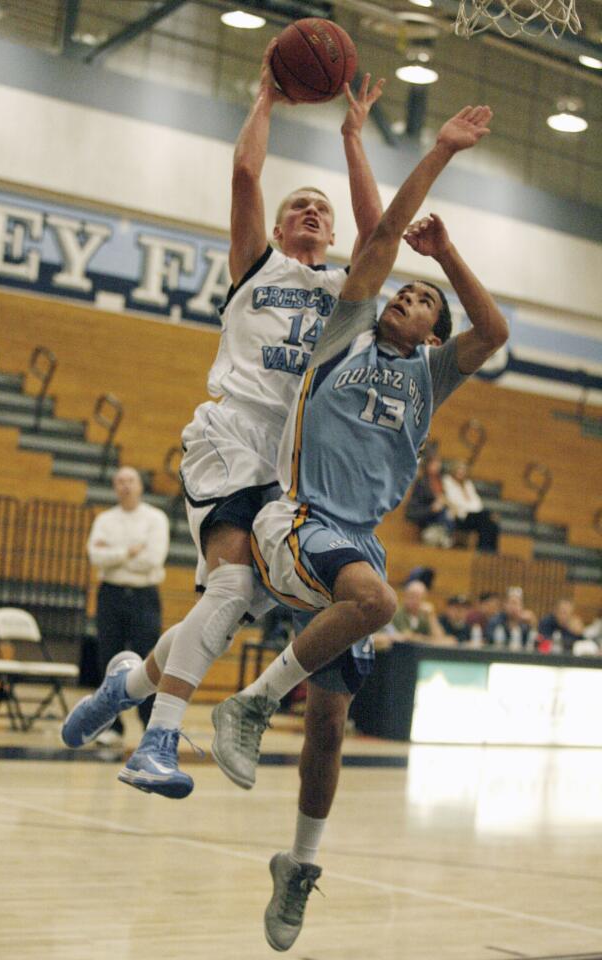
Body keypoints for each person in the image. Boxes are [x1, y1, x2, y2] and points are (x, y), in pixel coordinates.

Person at [211, 105, 505, 951]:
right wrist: (439, 152)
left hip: (354, 545)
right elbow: (378, 241)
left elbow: (495, 331)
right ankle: (253, 705)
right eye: (404, 288)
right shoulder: (344, 333)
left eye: (421, 301)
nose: (405, 297)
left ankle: (298, 864)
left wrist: (448, 255)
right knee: (378, 601)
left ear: (430, 333)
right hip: (299, 517)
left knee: (333, 724)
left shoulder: (435, 376)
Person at [62, 41, 386, 792]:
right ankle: (158, 745)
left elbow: (382, 234)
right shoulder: (257, 267)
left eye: (322, 210)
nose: (311, 212)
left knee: (226, 608)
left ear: (331, 237)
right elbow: (245, 173)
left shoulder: (347, 292)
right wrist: (267, 98)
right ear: (277, 232)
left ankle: (125, 690)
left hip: (290, 467)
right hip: (227, 436)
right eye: (298, 208)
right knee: (233, 593)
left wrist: (351, 138)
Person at [72, 466, 169, 743]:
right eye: (120, 481)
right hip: (110, 595)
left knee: (148, 661)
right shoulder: (104, 519)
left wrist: (112, 555)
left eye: (131, 480)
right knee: (109, 658)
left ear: (140, 485)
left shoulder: (155, 518)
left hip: (144, 596)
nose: (125, 486)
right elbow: (95, 556)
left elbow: (152, 559)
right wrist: (128, 551)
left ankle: (150, 727)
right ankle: (110, 727)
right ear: (115, 487)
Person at [442, 458, 499, 552]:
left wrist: (470, 506)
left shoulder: (468, 484)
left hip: (474, 515)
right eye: (458, 471)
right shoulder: (447, 482)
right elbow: (456, 501)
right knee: (486, 517)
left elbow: (478, 503)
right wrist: (470, 506)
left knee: (493, 524)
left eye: (463, 472)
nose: (461, 474)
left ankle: (490, 551)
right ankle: (483, 550)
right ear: (453, 471)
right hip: (461, 516)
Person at [405, 454, 454, 547]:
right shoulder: (422, 482)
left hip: (438, 512)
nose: (437, 466)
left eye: (438, 463)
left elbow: (443, 498)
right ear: (428, 465)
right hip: (424, 511)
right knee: (443, 513)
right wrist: (432, 508)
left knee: (447, 513)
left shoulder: (440, 480)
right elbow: (418, 504)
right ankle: (437, 536)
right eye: (434, 464)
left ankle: (442, 535)